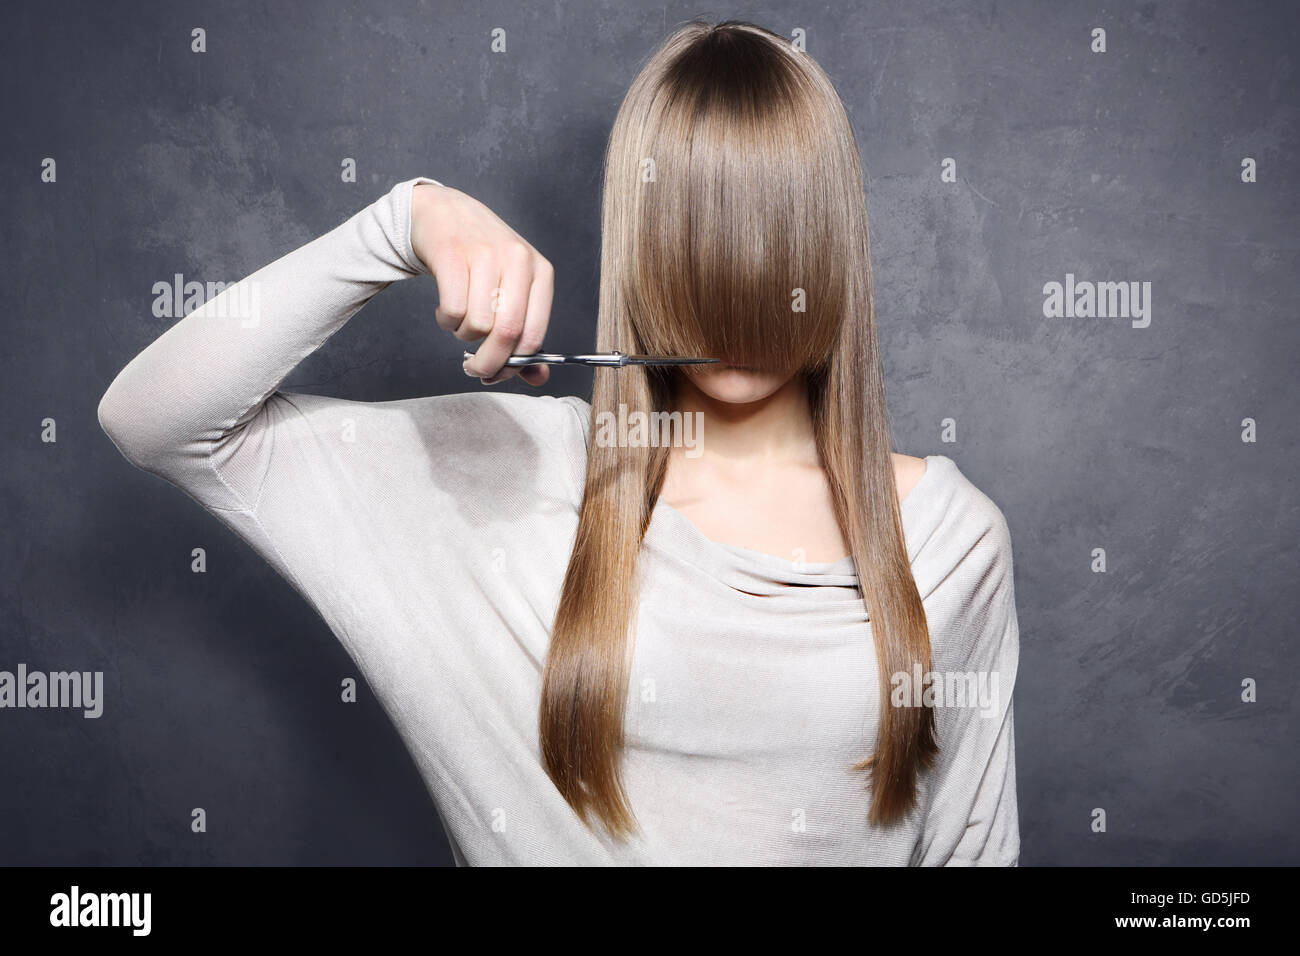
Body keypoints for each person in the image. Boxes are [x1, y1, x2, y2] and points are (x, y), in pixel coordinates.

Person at [98, 19, 1021, 865]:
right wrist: (404, 222)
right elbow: (155, 420)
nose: (739, 279)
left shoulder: (950, 542)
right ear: (638, 241)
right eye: (696, 230)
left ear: (834, 246)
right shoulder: (509, 472)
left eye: (777, 231)